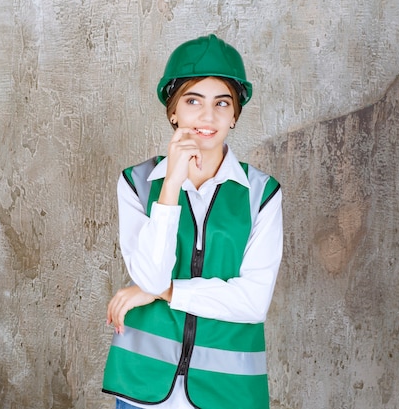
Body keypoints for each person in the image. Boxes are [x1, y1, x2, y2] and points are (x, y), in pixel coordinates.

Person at [102, 34, 283, 409]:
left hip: (228, 392)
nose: (207, 116)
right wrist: (170, 186)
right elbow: (150, 275)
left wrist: (162, 293)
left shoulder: (261, 193)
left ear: (235, 114)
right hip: (143, 387)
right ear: (173, 112)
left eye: (222, 102)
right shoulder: (137, 184)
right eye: (192, 100)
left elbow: (252, 303)